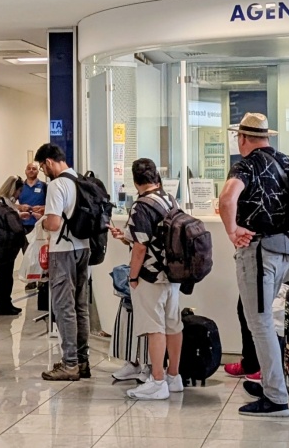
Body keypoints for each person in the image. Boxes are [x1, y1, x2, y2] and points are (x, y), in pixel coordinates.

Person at [217, 113, 289, 417]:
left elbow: (227, 199)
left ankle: (276, 398)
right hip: (284, 251)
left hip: (259, 252)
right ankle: (270, 381)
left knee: (260, 323)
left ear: (242, 139)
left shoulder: (246, 164)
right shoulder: (287, 163)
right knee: (264, 319)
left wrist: (231, 231)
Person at [116, 159, 184, 400]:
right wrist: (126, 237)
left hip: (151, 276)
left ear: (135, 181)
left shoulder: (141, 206)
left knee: (154, 327)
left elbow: (140, 248)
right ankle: (173, 377)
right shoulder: (169, 199)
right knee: (173, 324)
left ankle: (157, 381)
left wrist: (133, 277)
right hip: (173, 274)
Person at [35, 143, 92, 382]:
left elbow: (55, 224)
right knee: (80, 306)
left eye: (41, 167)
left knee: (63, 307)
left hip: (63, 250)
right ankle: (82, 361)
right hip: (84, 247)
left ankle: (69, 364)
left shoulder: (57, 185)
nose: (42, 171)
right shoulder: (80, 180)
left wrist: (43, 219)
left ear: (48, 162)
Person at [0, 176, 30, 317]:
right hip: (4, 246)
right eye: (19, 191)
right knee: (5, 276)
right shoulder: (2, 204)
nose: (19, 195)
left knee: (5, 276)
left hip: (4, 245)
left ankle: (5, 303)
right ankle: (3, 305)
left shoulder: (0, 203)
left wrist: (19, 215)